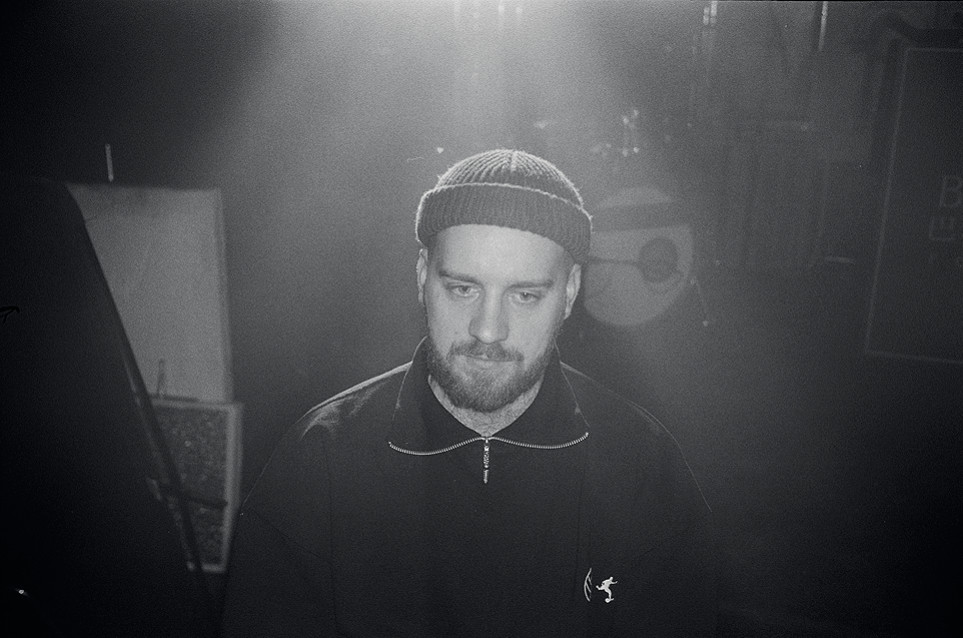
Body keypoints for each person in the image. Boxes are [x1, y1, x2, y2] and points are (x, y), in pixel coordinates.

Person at [220, 149, 717, 637]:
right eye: (463, 288)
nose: (488, 329)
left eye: (525, 295)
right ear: (422, 276)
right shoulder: (320, 463)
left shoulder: (643, 470)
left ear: (568, 294)